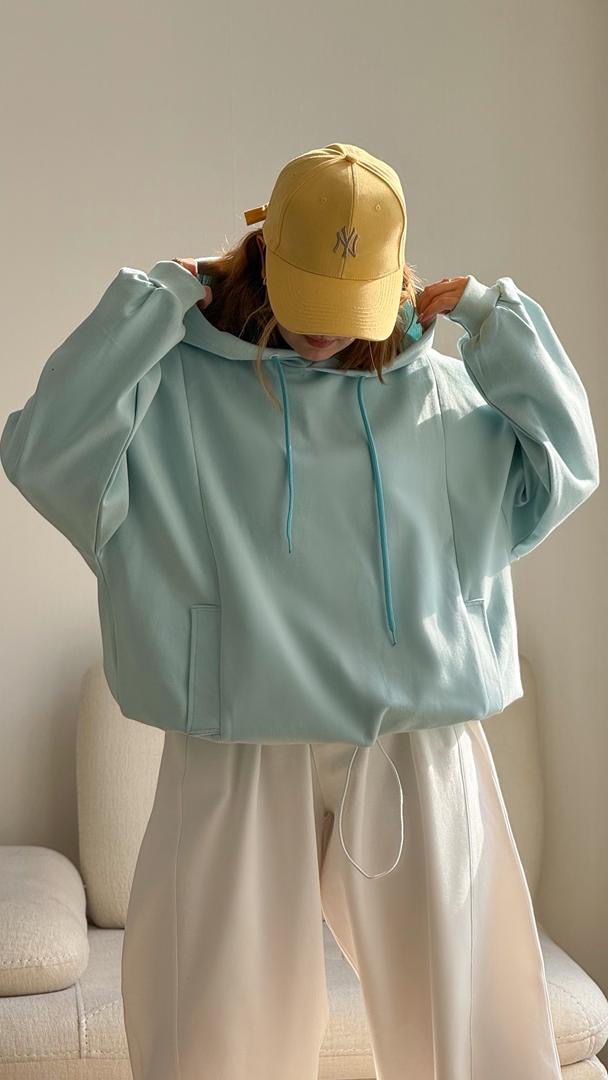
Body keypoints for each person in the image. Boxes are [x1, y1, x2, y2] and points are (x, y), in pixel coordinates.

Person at [0, 143, 599, 1080]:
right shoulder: (177, 391)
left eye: (348, 302)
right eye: (308, 293)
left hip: (414, 737)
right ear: (262, 253)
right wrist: (150, 301)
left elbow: (567, 464)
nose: (323, 331)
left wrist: (495, 318)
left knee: (471, 1030)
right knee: (215, 1036)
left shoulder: (439, 396)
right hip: (237, 734)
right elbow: (42, 453)